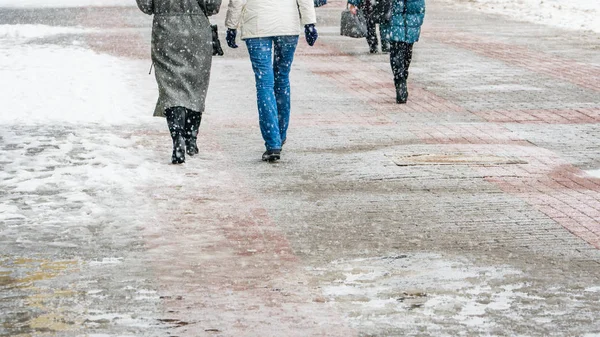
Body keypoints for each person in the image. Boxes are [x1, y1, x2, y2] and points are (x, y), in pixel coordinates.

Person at [225, 0, 318, 162]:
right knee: (282, 78)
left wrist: (231, 25)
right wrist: (309, 23)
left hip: (257, 25)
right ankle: (280, 134)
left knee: (264, 84)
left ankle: (272, 141)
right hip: (287, 24)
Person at [135, 0, 214, 164]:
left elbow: (146, 6)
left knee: (171, 88)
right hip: (197, 31)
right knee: (196, 85)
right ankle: (191, 137)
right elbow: (212, 6)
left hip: (165, 30)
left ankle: (178, 137)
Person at [349, 0, 425, 103]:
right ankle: (400, 80)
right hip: (397, 12)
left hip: (410, 12)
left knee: (404, 50)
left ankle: (401, 78)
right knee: (399, 49)